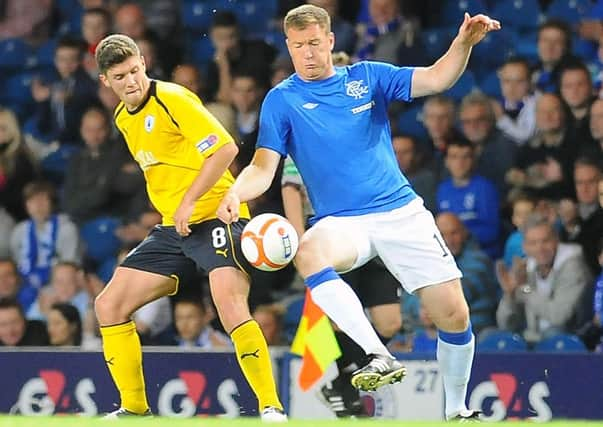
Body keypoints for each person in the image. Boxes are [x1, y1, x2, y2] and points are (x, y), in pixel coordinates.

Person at [217, 4, 500, 421]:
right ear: (289, 48)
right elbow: (263, 166)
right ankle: (377, 354)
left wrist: (463, 44)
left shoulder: (367, 76)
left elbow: (437, 77)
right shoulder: (282, 100)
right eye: (297, 47)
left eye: (314, 43)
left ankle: (457, 410)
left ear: (330, 41)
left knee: (454, 314)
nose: (307, 54)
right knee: (308, 250)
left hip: (400, 212)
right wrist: (236, 192)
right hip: (341, 222)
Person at [93, 34, 286, 421]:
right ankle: (134, 409)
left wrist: (188, 201)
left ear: (144, 63)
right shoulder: (121, 118)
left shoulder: (173, 99)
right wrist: (174, 207)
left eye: (135, 71)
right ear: (105, 81)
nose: (131, 81)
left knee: (229, 305)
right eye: (120, 76)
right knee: (108, 305)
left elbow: (225, 149)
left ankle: (271, 406)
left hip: (217, 216)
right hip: (174, 228)